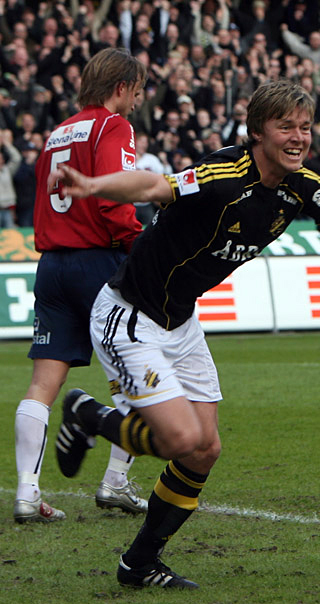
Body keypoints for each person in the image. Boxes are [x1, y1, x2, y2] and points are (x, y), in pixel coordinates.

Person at [48, 78, 320, 589]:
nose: (299, 137)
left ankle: (137, 564)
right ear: (256, 133)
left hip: (180, 323)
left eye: (305, 127)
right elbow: (154, 186)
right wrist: (95, 186)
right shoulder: (225, 172)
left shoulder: (300, 186)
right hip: (130, 315)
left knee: (204, 450)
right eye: (285, 127)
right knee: (180, 439)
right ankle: (86, 412)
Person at [14, 48, 149, 525]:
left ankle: (27, 494)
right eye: (135, 91)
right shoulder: (113, 127)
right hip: (99, 263)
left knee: (42, 382)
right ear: (120, 88)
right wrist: (140, 243)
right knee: (141, 372)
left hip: (52, 265)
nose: (136, 101)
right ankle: (115, 483)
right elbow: (117, 191)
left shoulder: (55, 134)